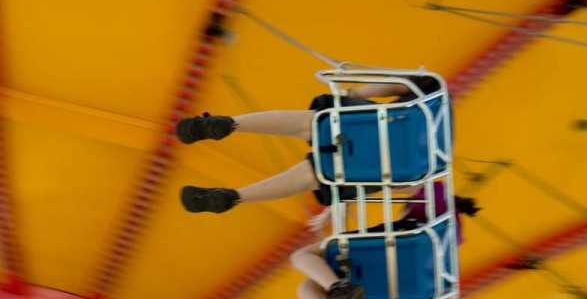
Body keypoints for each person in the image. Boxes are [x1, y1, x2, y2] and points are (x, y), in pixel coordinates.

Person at [176, 75, 442, 213]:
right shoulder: (435, 164)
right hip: (375, 166)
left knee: (310, 123)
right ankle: (234, 197)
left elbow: (398, 85)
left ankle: (232, 123)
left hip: (371, 124)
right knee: (314, 175)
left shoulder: (438, 93)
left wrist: (357, 94)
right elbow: (408, 185)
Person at [290, 185, 481, 299]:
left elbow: (377, 183)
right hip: (410, 283)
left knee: (301, 255)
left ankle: (339, 290)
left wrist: (333, 208)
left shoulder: (436, 191)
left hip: (397, 252)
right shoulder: (452, 238)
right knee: (308, 285)